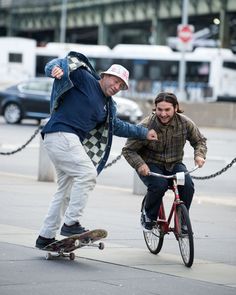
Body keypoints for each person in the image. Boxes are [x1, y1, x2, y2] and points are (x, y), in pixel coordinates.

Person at [35, 51, 157, 249]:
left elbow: (115, 126)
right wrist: (53, 69)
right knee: (87, 174)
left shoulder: (108, 106)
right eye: (115, 81)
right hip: (60, 133)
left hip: (66, 140)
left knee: (65, 192)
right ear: (104, 76)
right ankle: (71, 223)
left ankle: (46, 236)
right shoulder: (85, 78)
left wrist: (143, 133)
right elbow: (62, 63)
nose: (116, 87)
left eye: (121, 86)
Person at [122, 92, 207, 231]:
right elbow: (128, 150)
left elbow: (199, 141)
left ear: (175, 107)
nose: (163, 114)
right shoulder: (146, 125)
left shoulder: (185, 123)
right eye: (159, 109)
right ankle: (148, 215)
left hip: (175, 164)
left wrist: (199, 155)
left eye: (167, 109)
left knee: (188, 185)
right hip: (150, 164)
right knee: (159, 186)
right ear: (155, 108)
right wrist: (140, 164)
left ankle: (182, 220)